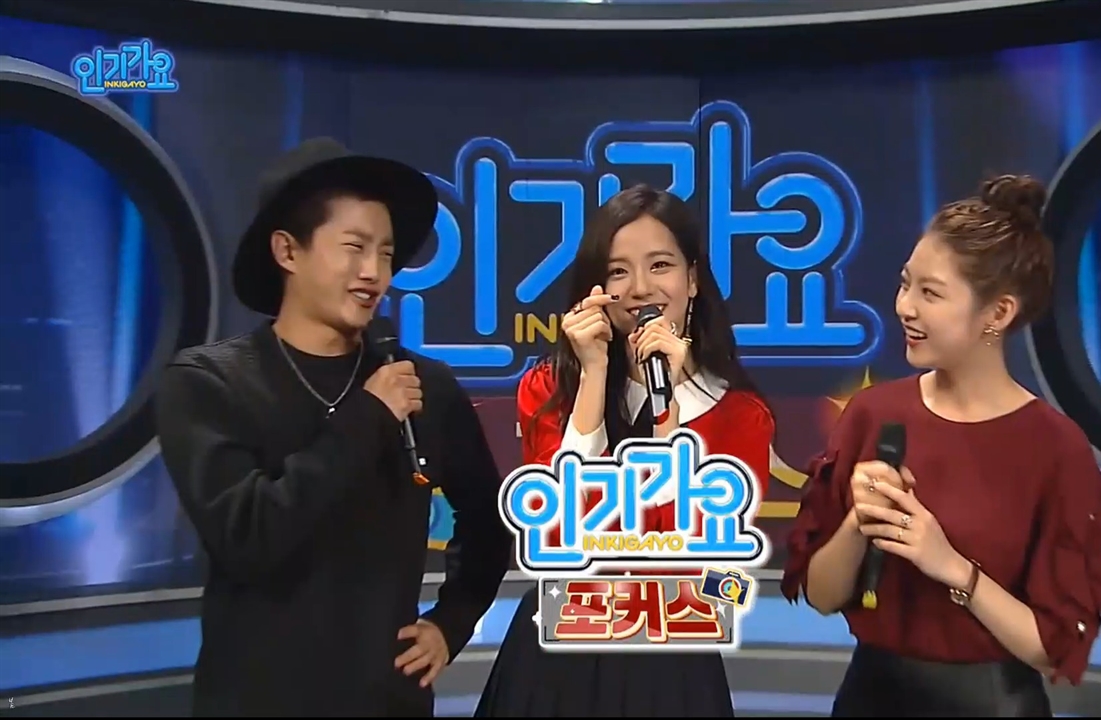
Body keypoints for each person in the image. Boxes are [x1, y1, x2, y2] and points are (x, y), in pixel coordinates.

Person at [155, 138, 511, 717]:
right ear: (287, 251)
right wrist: (367, 419)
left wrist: (451, 623)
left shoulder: (423, 385)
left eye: (386, 254)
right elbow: (248, 540)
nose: (374, 273)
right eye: (354, 248)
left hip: (386, 701)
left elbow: (491, 526)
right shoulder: (209, 384)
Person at [780, 175, 1101, 717]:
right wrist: (858, 523)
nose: (905, 307)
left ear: (998, 313)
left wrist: (951, 566)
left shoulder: (1053, 447)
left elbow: (1050, 645)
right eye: (905, 284)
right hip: (871, 697)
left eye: (931, 293)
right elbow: (822, 596)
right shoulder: (873, 414)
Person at [473, 185, 776, 718]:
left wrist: (672, 407)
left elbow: (699, 569)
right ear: (595, 290)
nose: (640, 289)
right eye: (618, 272)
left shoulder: (741, 416)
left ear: (692, 280)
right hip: (557, 652)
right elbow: (562, 539)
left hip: (672, 662)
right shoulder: (548, 391)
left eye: (660, 265)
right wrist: (592, 375)